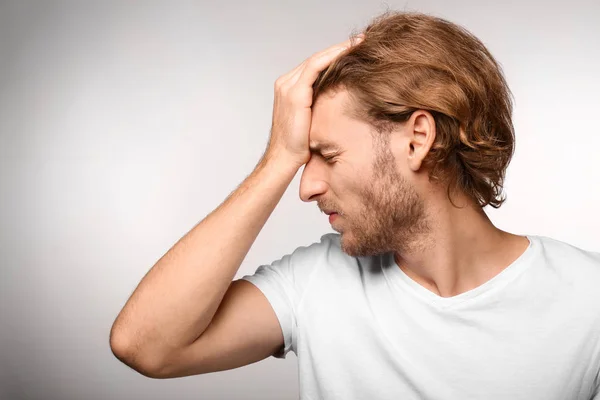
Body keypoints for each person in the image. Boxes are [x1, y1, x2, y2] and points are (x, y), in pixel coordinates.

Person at [109, 10, 600, 399]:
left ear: (417, 139)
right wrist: (277, 158)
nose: (305, 187)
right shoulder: (314, 282)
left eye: (326, 154)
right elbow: (145, 347)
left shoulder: (587, 299)